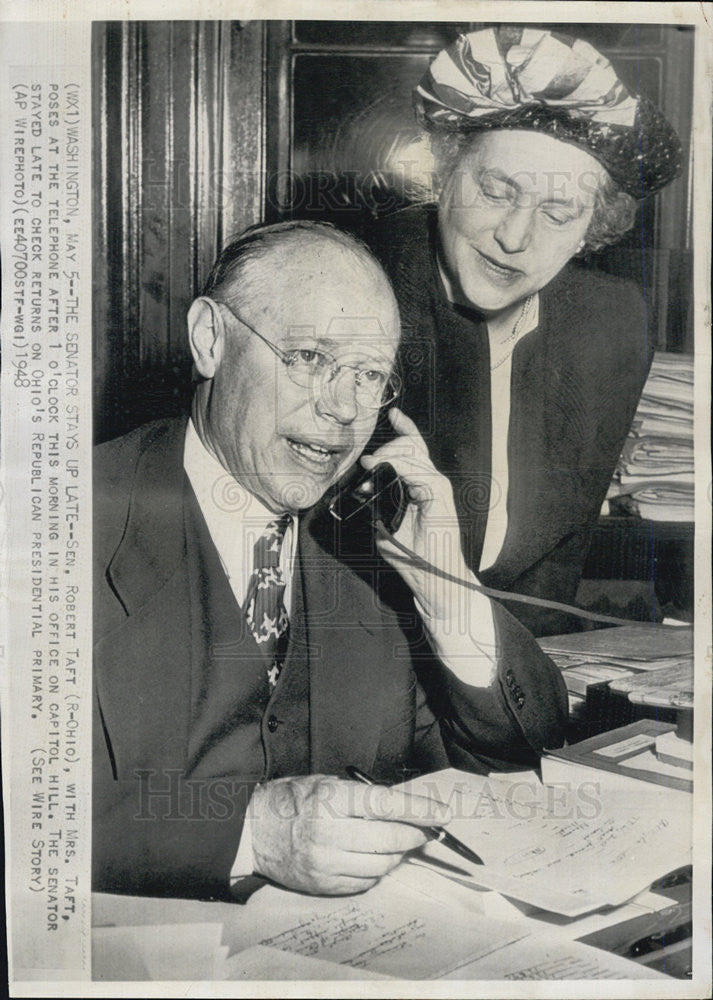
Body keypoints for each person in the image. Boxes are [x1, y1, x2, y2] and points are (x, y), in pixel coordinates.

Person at [93, 220, 567, 901]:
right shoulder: (56, 527)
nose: (343, 410)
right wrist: (248, 834)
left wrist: (449, 594)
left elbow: (508, 769)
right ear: (210, 339)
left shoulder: (366, 546)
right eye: (310, 358)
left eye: (369, 374)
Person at [362, 26, 683, 636]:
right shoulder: (353, 288)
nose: (515, 236)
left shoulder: (611, 321)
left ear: (593, 228)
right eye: (496, 191)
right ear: (446, 176)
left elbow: (553, 571)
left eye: (558, 213)